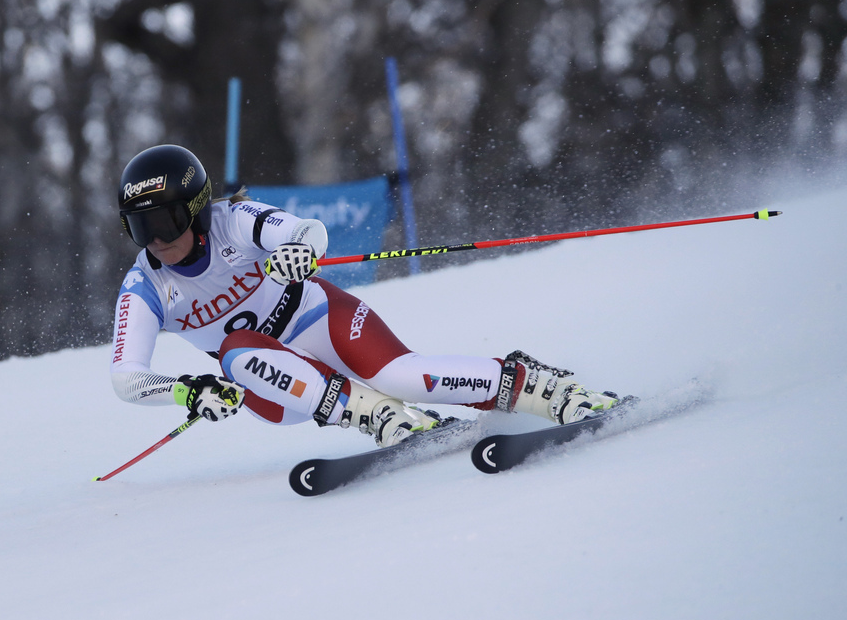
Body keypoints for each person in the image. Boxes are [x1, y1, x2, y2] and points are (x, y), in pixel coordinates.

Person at [110, 144, 620, 448]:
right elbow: (126, 378)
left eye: (166, 220)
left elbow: (307, 231)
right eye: (140, 227)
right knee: (237, 350)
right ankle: (379, 416)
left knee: (403, 375)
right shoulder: (146, 285)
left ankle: (546, 389)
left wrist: (297, 253)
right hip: (274, 382)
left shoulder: (232, 221)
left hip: (316, 317)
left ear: (197, 210)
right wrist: (187, 391)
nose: (156, 239)